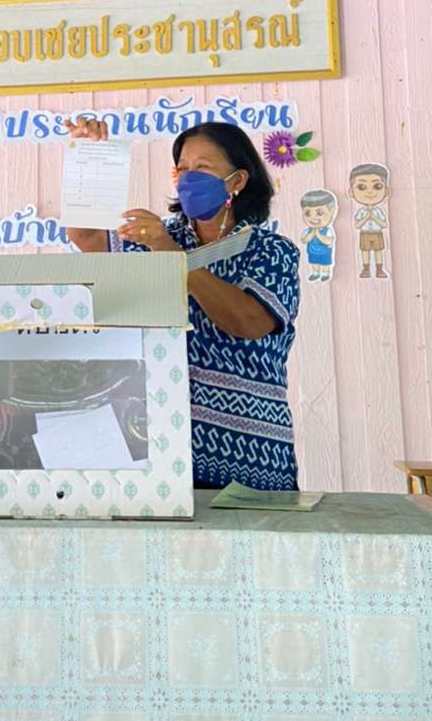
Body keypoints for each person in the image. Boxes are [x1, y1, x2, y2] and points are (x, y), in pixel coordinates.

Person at [66, 119, 300, 491]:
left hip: (249, 456)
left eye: (203, 168)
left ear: (238, 180)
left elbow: (248, 321)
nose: (189, 178)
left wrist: (169, 254)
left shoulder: (271, 250)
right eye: (183, 168)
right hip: (159, 448)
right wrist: (90, 158)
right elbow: (85, 236)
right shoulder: (159, 237)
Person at [300, 188, 338, 282]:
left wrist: (318, 234)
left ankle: (325, 274)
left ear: (332, 212)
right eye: (308, 213)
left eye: (319, 213)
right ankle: (315, 273)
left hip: (324, 252)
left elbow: (328, 241)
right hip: (312, 252)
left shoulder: (327, 231)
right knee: (314, 263)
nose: (313, 218)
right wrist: (312, 234)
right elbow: (304, 240)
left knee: (325, 264)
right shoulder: (308, 231)